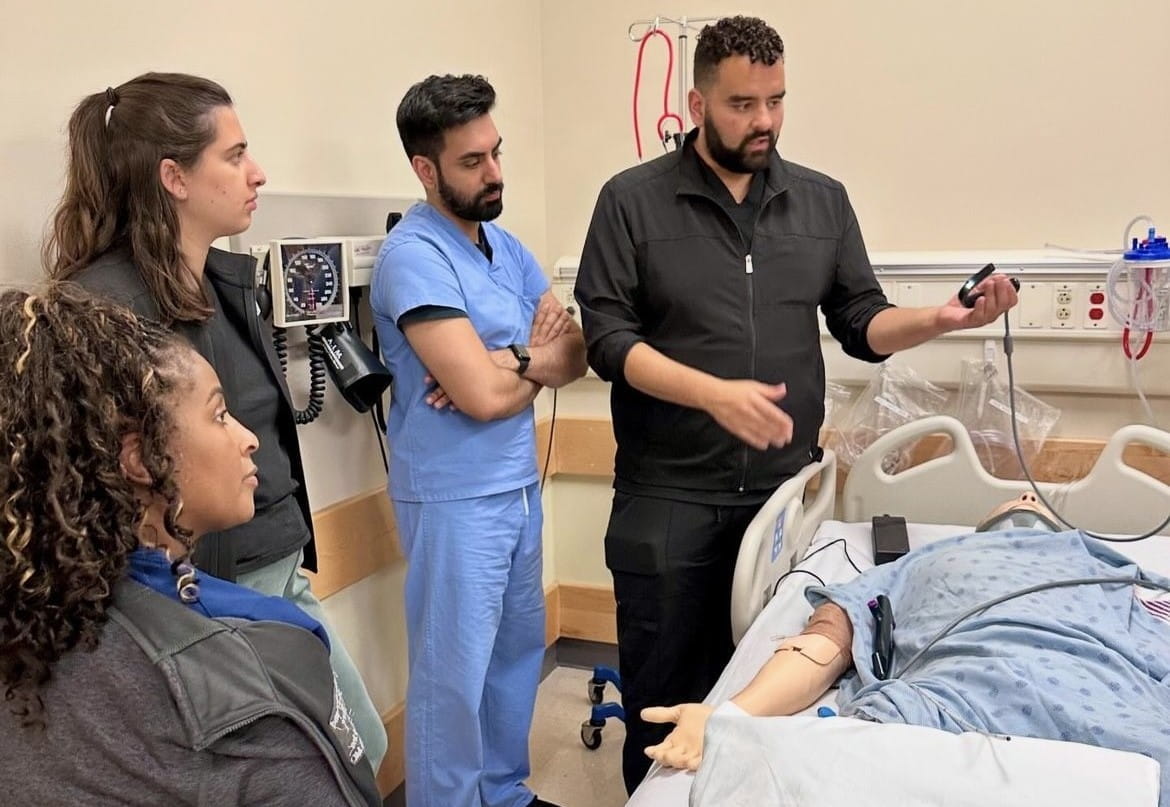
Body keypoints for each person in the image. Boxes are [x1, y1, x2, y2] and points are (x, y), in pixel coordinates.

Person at [573, 15, 1019, 793]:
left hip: (780, 500)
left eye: (776, 100)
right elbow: (607, 338)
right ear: (698, 103)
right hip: (670, 495)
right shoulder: (632, 202)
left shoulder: (819, 203)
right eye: (742, 104)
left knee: (765, 704)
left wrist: (941, 319)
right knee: (664, 704)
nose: (765, 120)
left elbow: (861, 322)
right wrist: (711, 394)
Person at [42, 71, 387, 772]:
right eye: (234, 156)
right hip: (206, 588)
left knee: (361, 746)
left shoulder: (222, 284)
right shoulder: (105, 311)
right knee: (317, 764)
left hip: (277, 565)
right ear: (174, 177)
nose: (257, 173)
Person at [0, 284, 381, 806]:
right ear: (140, 459)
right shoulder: (250, 694)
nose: (248, 438)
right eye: (219, 415)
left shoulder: (33, 615)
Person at [640, 496, 1170, 806]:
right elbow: (831, 636)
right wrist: (730, 716)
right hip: (947, 707)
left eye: (1035, 500)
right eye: (1017, 500)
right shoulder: (935, 556)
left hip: (1111, 712)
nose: (1026, 501)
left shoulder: (1106, 567)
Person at [370, 74, 587, 807]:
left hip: (516, 486)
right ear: (425, 169)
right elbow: (482, 398)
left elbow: (575, 353)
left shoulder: (506, 247)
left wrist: (512, 358)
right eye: (472, 161)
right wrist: (527, 362)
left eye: (496, 152)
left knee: (515, 655)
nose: (494, 172)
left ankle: (503, 792)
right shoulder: (414, 257)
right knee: (452, 679)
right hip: (453, 496)